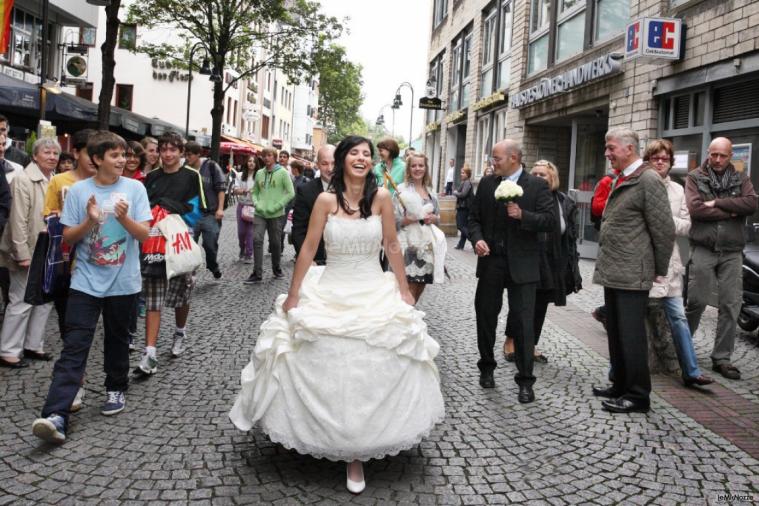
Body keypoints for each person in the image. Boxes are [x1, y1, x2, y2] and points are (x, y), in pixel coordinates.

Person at [229, 136, 444, 494]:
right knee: (323, 356)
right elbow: (310, 246)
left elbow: (392, 244)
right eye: (355, 153)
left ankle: (359, 447)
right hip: (331, 285)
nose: (361, 158)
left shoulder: (381, 199)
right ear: (343, 159)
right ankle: (328, 437)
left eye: (367, 154)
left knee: (372, 363)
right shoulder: (326, 200)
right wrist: (295, 293)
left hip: (371, 287)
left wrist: (404, 289)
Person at [32, 131, 152, 444]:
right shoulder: (78, 191)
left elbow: (143, 235)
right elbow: (68, 238)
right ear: (97, 159)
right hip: (85, 281)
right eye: (115, 156)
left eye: (124, 155)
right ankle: (56, 414)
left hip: (124, 283)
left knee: (117, 340)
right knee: (74, 345)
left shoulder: (136, 188)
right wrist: (90, 220)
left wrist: (124, 219)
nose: (122, 160)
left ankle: (116, 387)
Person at [592, 128, 675, 414]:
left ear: (629, 148)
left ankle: (638, 396)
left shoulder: (648, 179)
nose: (607, 153)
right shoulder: (624, 177)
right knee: (615, 333)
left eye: (611, 147)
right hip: (615, 269)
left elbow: (664, 230)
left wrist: (658, 269)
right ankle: (620, 384)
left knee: (631, 336)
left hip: (632, 271)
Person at [469, 139, 554, 404]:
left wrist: (523, 216)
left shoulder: (537, 185)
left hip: (523, 265)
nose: (493, 163)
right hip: (492, 261)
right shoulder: (486, 184)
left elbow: (550, 221)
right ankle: (486, 367)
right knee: (485, 315)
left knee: (523, 323)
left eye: (497, 158)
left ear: (514, 158)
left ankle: (526, 382)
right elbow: (472, 219)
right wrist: (477, 239)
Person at [685, 137, 758, 381]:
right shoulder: (695, 176)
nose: (717, 160)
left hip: (732, 251)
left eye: (722, 155)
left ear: (730, 156)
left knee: (730, 305)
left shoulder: (740, 177)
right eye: (713, 154)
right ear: (708, 153)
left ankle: (722, 359)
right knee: (696, 300)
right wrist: (732, 210)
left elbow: (751, 204)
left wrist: (716, 202)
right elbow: (696, 209)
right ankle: (681, 351)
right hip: (704, 248)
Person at [643, 140, 714, 388]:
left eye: (665, 158)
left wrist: (663, 220)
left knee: (679, 318)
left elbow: (687, 225)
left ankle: (691, 371)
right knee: (631, 319)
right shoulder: (639, 185)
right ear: (648, 161)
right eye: (655, 158)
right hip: (641, 264)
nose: (661, 162)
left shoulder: (677, 190)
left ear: (671, 162)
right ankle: (618, 370)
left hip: (669, 265)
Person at [136, 131, 206, 376]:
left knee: (181, 295)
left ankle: (179, 331)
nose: (167, 154)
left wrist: (168, 209)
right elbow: (143, 208)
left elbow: (198, 209)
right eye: (163, 149)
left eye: (172, 150)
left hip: (180, 241)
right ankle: (150, 352)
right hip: (155, 242)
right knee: (153, 296)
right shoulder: (151, 177)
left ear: (181, 152)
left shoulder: (192, 176)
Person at [502, 160, 582, 364]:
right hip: (530, 255)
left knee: (541, 304)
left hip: (552, 259)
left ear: (552, 178)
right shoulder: (524, 195)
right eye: (535, 174)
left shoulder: (564, 200)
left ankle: (531, 344)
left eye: (543, 175)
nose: (538, 178)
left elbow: (569, 233)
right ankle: (511, 340)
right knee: (523, 302)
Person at [0, 138, 60, 368]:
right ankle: (8, 350)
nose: (52, 156)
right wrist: (21, 252)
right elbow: (17, 221)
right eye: (47, 152)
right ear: (35, 156)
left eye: (55, 153)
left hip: (48, 249)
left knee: (45, 300)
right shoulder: (23, 180)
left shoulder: (54, 180)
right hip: (28, 249)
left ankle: (33, 344)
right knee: (21, 300)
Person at [394, 153, 444, 303]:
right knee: (407, 294)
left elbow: (437, 217)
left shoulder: (430, 191)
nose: (417, 168)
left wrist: (435, 219)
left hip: (427, 250)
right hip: (407, 248)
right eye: (413, 165)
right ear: (408, 169)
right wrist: (408, 220)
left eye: (421, 165)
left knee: (419, 289)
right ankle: (407, 322)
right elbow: (392, 221)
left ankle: (411, 320)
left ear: (426, 168)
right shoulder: (401, 191)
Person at [243, 147, 294, 284]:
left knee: (275, 243)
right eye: (264, 156)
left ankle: (276, 268)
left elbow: (290, 193)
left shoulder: (283, 173)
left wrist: (277, 206)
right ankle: (257, 273)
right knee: (257, 239)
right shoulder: (259, 173)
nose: (266, 158)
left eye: (269, 155)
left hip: (276, 214)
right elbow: (255, 191)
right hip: (260, 213)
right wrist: (256, 203)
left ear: (274, 157)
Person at [185, 141, 225, 280]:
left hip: (210, 214)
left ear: (198, 154)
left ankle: (213, 265)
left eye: (189, 155)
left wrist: (220, 209)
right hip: (191, 215)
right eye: (185, 155)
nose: (187, 158)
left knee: (210, 245)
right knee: (189, 246)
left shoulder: (211, 166)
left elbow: (221, 189)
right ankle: (190, 273)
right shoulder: (185, 168)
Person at [292, 145, 335, 265]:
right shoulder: (305, 191)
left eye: (334, 163)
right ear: (318, 165)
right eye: (325, 163)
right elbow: (299, 229)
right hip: (317, 260)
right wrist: (308, 260)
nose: (330, 168)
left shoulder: (351, 190)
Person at [234, 156, 259, 264]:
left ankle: (249, 254)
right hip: (242, 205)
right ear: (246, 162)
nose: (251, 163)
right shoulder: (240, 175)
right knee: (241, 232)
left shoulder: (259, 176)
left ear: (256, 164)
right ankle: (242, 248)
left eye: (253, 161)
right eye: (249, 161)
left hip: (254, 207)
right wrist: (243, 191)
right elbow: (235, 190)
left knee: (250, 232)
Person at [452, 164, 473, 250]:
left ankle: (474, 240)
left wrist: (455, 192)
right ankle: (461, 245)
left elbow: (463, 194)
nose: (461, 174)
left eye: (463, 173)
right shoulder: (464, 182)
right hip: (462, 207)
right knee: (464, 225)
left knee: (460, 226)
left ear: (467, 174)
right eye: (461, 173)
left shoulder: (467, 182)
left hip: (464, 207)